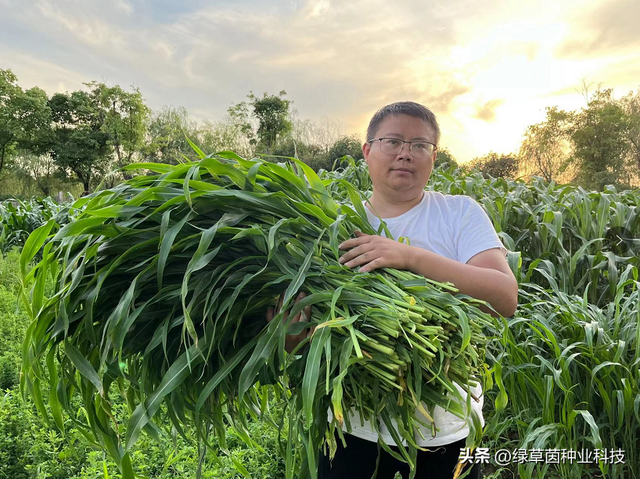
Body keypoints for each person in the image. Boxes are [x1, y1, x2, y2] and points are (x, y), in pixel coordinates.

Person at [270, 101, 519, 479]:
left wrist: (409, 257)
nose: (406, 153)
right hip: (351, 427)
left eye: (420, 145)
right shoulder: (330, 224)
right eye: (393, 141)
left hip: (445, 429)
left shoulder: (459, 213)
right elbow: (301, 342)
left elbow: (504, 298)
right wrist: (290, 329)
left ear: (433, 158)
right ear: (367, 151)